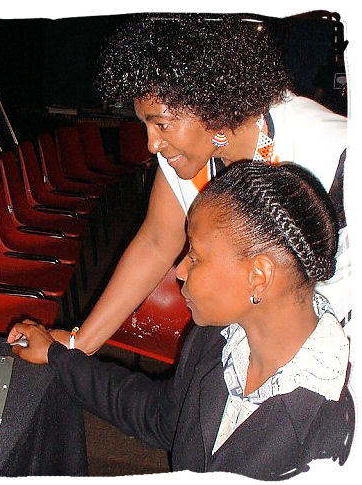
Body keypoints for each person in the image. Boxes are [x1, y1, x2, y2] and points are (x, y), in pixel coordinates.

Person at [8, 162, 354, 480]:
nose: (181, 271)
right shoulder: (215, 341)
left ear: (258, 277)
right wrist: (58, 355)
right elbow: (161, 416)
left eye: (195, 256)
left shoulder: (338, 423)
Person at [42, 13, 350, 355]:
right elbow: (156, 243)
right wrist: (77, 343)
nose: (151, 144)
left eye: (162, 125)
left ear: (211, 106)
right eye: (146, 125)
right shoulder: (189, 155)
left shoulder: (334, 153)